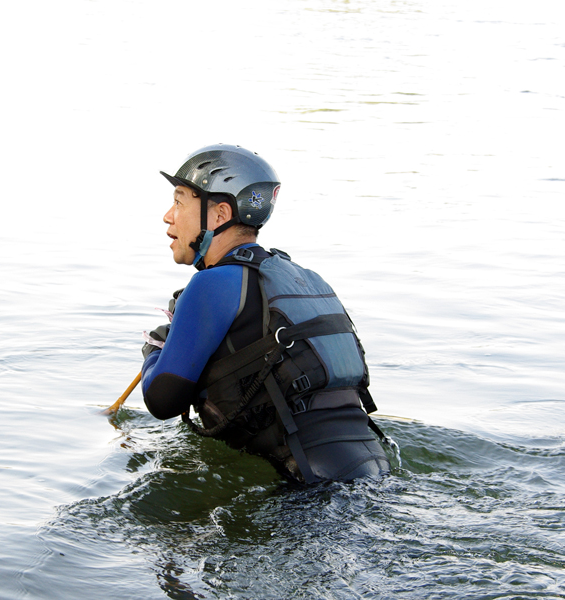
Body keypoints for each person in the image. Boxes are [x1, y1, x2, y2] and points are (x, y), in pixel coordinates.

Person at [140, 144, 391, 483]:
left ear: (219, 215)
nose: (168, 216)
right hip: (374, 465)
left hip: (309, 485)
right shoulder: (300, 276)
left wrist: (155, 349)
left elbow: (162, 400)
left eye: (179, 201)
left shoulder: (210, 284)